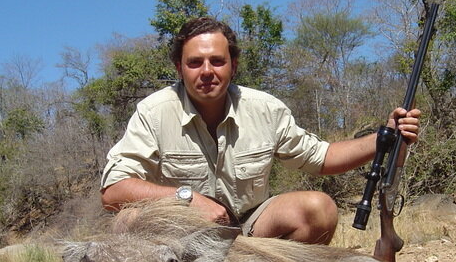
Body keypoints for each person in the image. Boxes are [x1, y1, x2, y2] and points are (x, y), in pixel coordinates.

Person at [100, 16, 421, 245]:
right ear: (179, 68)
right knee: (126, 223)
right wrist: (188, 199)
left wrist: (385, 136)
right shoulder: (154, 111)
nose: (207, 71)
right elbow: (114, 190)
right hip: (183, 236)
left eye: (217, 61)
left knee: (318, 209)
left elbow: (322, 159)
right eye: (195, 62)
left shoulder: (265, 108)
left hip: (253, 234)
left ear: (233, 65)